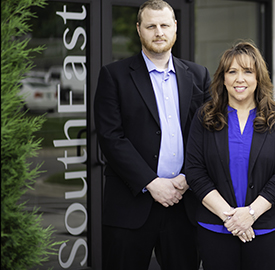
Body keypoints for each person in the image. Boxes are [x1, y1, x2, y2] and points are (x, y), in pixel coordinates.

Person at [93, 0, 210, 269]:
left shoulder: (197, 74)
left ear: (175, 28)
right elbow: (111, 138)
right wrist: (152, 182)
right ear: (139, 29)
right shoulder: (114, 75)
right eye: (151, 26)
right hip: (131, 205)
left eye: (165, 25)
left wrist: (188, 178)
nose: (158, 32)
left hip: (184, 203)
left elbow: (206, 134)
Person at [185, 41, 275, 270]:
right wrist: (231, 218)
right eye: (232, 72)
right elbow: (195, 171)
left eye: (247, 72)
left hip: (265, 229)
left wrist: (251, 214)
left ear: (258, 78)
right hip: (215, 227)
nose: (239, 79)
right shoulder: (205, 117)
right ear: (222, 78)